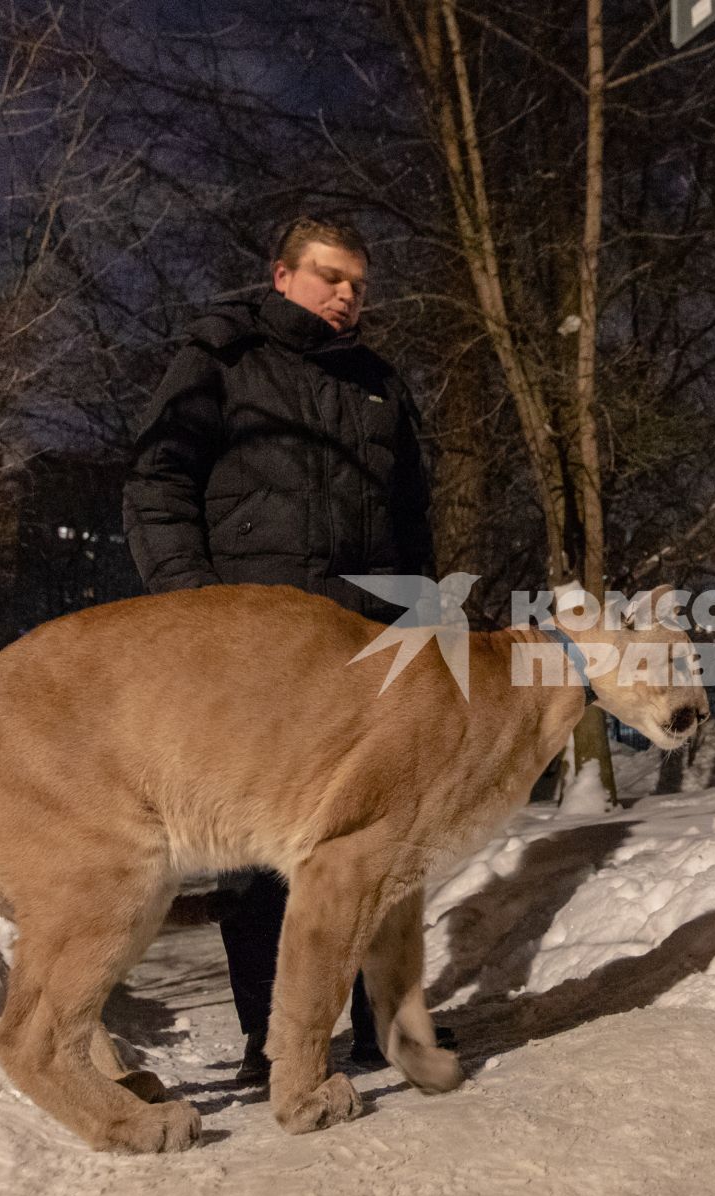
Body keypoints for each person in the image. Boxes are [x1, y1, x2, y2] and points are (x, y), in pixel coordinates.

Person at [122, 215, 434, 1081]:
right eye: (331, 277)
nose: (347, 295)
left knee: (378, 838)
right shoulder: (223, 355)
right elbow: (158, 481)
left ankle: (379, 1030)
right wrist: (199, 613)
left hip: (372, 644)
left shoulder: (379, 381)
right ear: (282, 274)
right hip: (258, 648)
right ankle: (272, 1042)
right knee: (264, 848)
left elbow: (413, 519)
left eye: (359, 284)